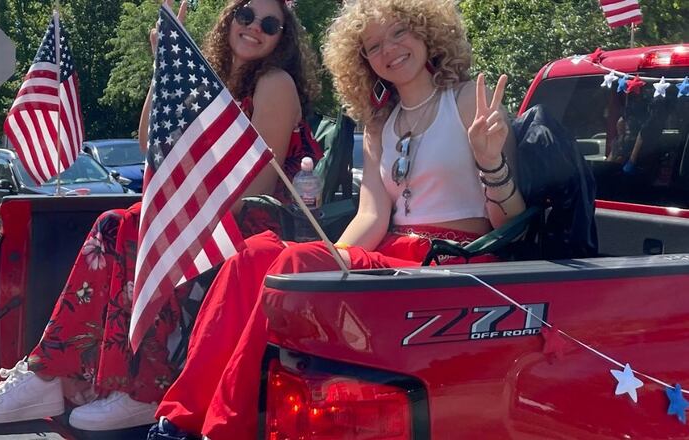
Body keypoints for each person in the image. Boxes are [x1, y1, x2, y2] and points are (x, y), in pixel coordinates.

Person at [149, 0, 525, 439]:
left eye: (399, 33)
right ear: (363, 60)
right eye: (373, 45)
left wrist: (490, 161)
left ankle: (223, 429)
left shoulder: (467, 101)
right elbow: (372, 216)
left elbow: (510, 223)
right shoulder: (381, 122)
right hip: (392, 255)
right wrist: (332, 259)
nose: (389, 50)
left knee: (296, 264)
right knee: (254, 255)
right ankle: (180, 419)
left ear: (427, 32)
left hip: (451, 264)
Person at [0, 0, 323, 431]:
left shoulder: (273, 82)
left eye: (270, 24)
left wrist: (180, 213)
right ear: (230, 19)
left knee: (131, 225)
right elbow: (151, 141)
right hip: (203, 213)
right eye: (246, 15)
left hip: (255, 222)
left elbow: (257, 186)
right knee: (118, 223)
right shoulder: (215, 80)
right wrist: (160, 69)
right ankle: (59, 374)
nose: (255, 28)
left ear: (283, 38)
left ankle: (139, 387)